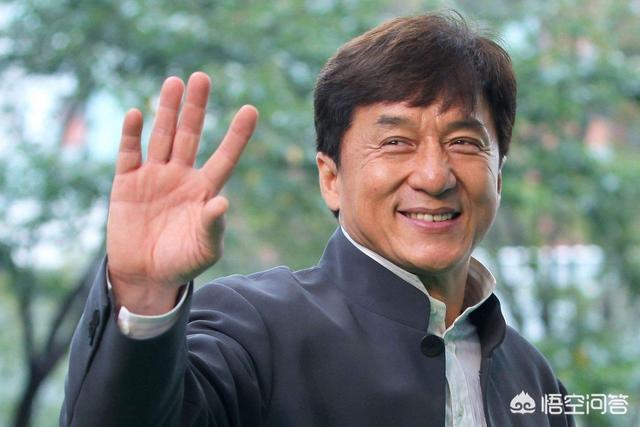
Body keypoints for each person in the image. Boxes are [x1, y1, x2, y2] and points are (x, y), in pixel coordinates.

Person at [60, 12, 574, 427]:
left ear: (498, 175)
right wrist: (144, 294)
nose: (435, 176)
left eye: (463, 141)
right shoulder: (253, 330)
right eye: (396, 141)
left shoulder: (534, 379)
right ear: (331, 177)